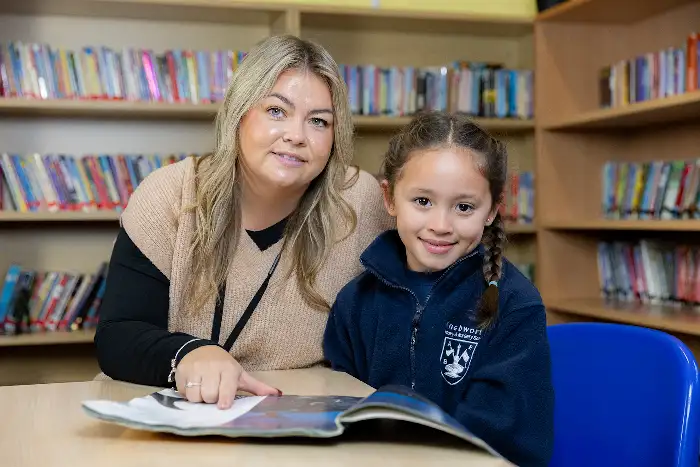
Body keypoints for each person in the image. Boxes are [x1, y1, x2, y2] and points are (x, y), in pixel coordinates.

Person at [94, 34, 393, 410]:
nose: (296, 136)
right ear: (239, 113)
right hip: (171, 412)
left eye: (318, 121)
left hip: (296, 416)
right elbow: (118, 335)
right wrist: (188, 353)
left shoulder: (361, 202)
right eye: (276, 111)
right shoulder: (171, 195)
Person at [322, 111, 554, 467]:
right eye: (423, 202)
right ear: (389, 198)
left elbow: (508, 442)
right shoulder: (355, 302)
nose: (441, 225)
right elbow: (336, 411)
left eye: (464, 207)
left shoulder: (514, 304)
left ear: (492, 209)